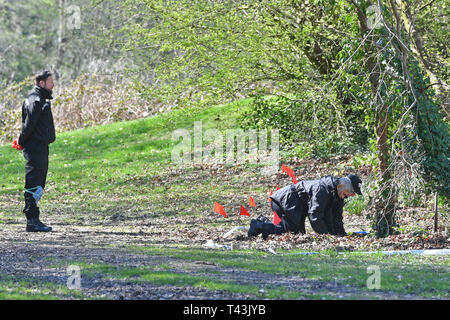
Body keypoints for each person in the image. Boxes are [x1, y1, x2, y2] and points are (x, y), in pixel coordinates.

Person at [248, 174, 362, 240]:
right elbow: (315, 215)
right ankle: (258, 225)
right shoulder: (322, 190)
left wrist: (340, 235)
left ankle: (263, 221)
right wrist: (327, 236)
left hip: (295, 204)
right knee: (291, 233)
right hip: (287, 200)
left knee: (297, 233)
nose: (352, 195)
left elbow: (336, 217)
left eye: (354, 193)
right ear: (339, 186)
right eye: (351, 191)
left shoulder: (339, 195)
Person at [17, 70, 56, 232]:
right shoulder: (35, 100)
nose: (53, 84)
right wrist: (21, 141)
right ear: (41, 83)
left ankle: (35, 218)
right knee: (34, 182)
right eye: (50, 82)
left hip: (41, 146)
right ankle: (31, 221)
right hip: (35, 147)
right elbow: (29, 125)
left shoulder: (41, 99)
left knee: (39, 183)